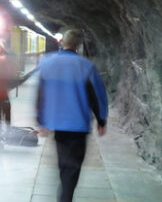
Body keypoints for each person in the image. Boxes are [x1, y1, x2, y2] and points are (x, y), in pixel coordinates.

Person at [36, 29, 108, 202]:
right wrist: (101, 120)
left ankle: (64, 192)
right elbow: (97, 96)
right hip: (78, 123)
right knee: (74, 164)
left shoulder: (47, 64)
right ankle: (65, 197)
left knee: (64, 161)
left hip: (57, 123)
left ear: (62, 42)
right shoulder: (86, 66)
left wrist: (41, 120)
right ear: (78, 46)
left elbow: (41, 95)